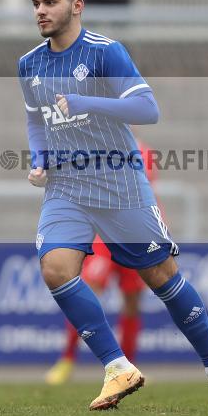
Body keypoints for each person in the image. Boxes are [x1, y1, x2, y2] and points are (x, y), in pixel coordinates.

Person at [18, 0, 208, 411]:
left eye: (50, 2)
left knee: (161, 278)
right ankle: (118, 367)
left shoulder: (105, 53)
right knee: (55, 268)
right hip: (67, 188)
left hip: (119, 182)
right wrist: (40, 159)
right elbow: (35, 121)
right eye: (36, 4)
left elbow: (147, 109)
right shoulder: (30, 64)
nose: (40, 11)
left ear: (76, 6)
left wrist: (84, 101)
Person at [43, 140, 155, 386]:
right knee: (86, 292)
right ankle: (67, 360)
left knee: (132, 301)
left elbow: (139, 193)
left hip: (135, 235)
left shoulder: (142, 151)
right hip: (104, 236)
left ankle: (129, 368)